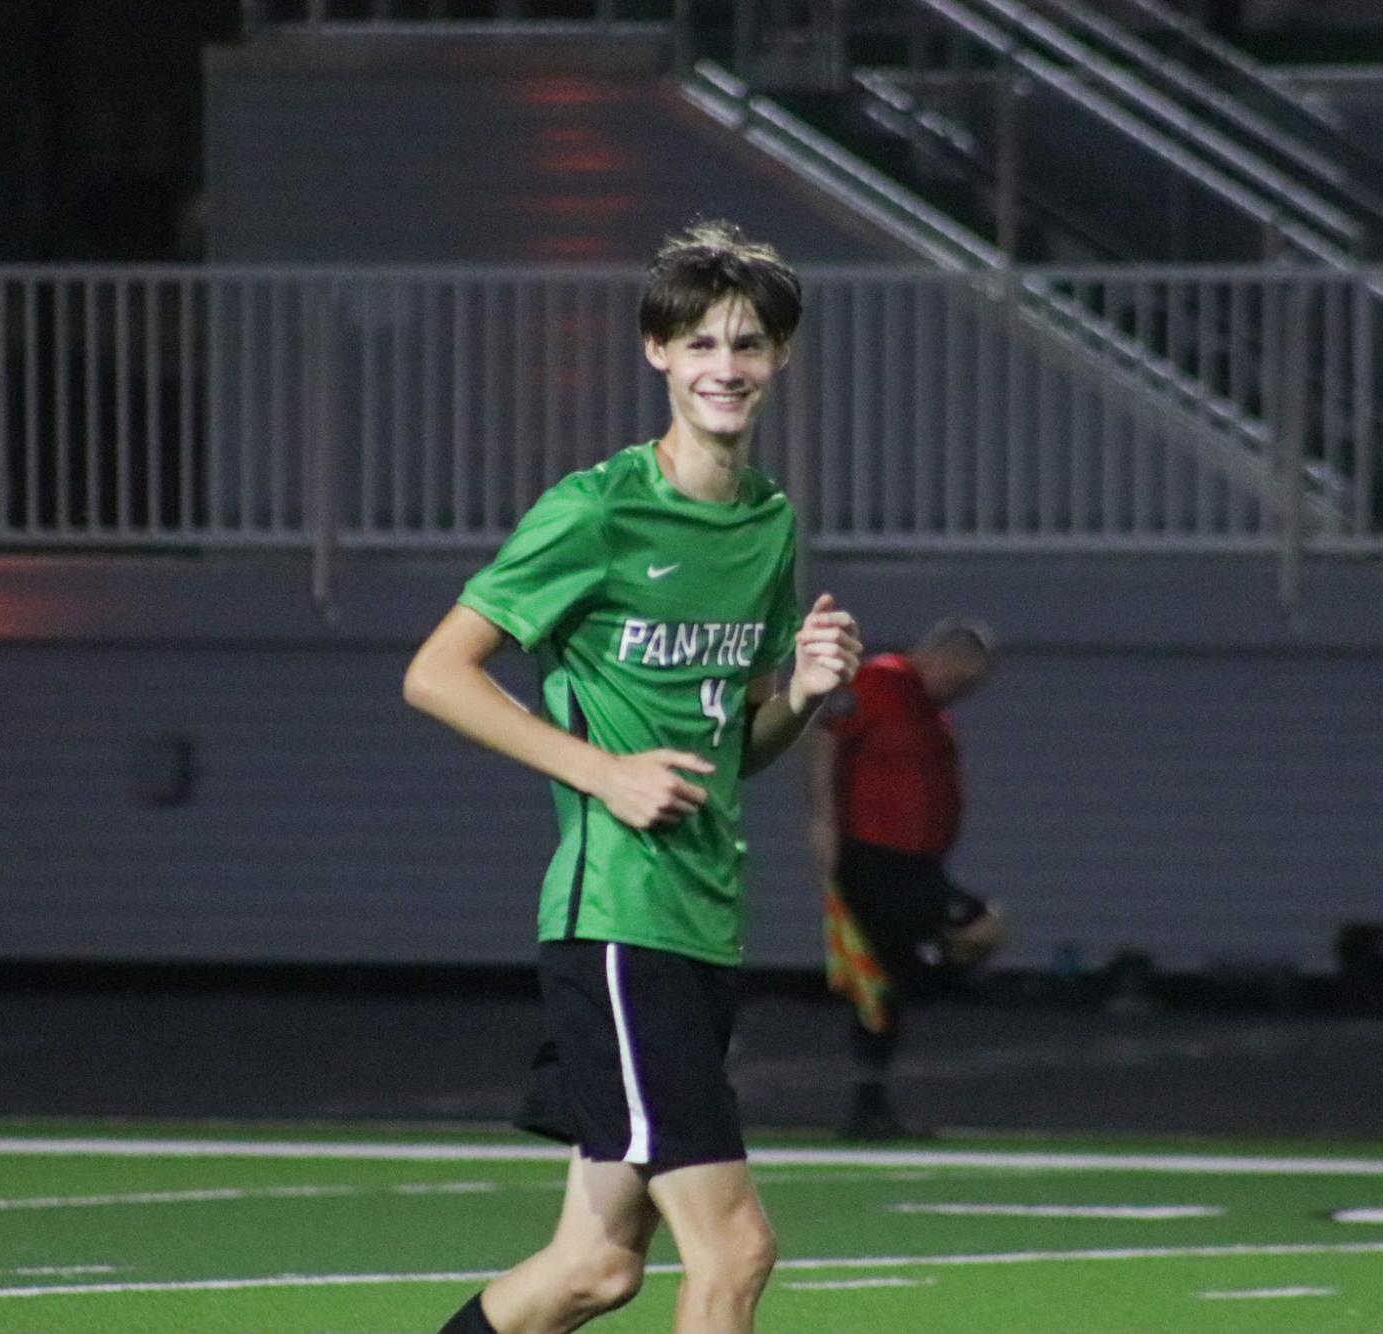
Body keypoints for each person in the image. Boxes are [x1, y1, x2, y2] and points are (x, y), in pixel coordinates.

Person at [404, 220, 862, 1334]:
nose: (725, 366)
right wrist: (601, 772)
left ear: (781, 358)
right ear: (655, 351)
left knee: (592, 1268)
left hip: (705, 922)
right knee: (737, 1248)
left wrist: (797, 694)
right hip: (620, 925)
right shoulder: (598, 509)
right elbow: (436, 673)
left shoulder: (767, 524)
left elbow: (732, 745)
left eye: (748, 344)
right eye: (699, 342)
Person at [806, 618, 1006, 1139]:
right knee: (984, 928)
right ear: (940, 659)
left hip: (917, 861)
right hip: (876, 855)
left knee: (882, 985)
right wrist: (825, 821)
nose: (961, 696)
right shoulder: (880, 682)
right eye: (961, 683)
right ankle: (930, 969)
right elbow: (826, 739)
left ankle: (868, 1108)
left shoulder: (930, 711)